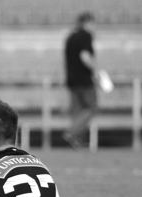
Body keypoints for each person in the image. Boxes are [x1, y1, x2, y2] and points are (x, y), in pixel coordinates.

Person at [63, 12, 98, 149]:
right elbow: (85, 56)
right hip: (84, 79)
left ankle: (76, 141)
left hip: (72, 80)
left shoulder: (70, 37)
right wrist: (96, 71)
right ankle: (71, 133)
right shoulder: (86, 36)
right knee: (91, 108)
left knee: (77, 111)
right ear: (87, 23)